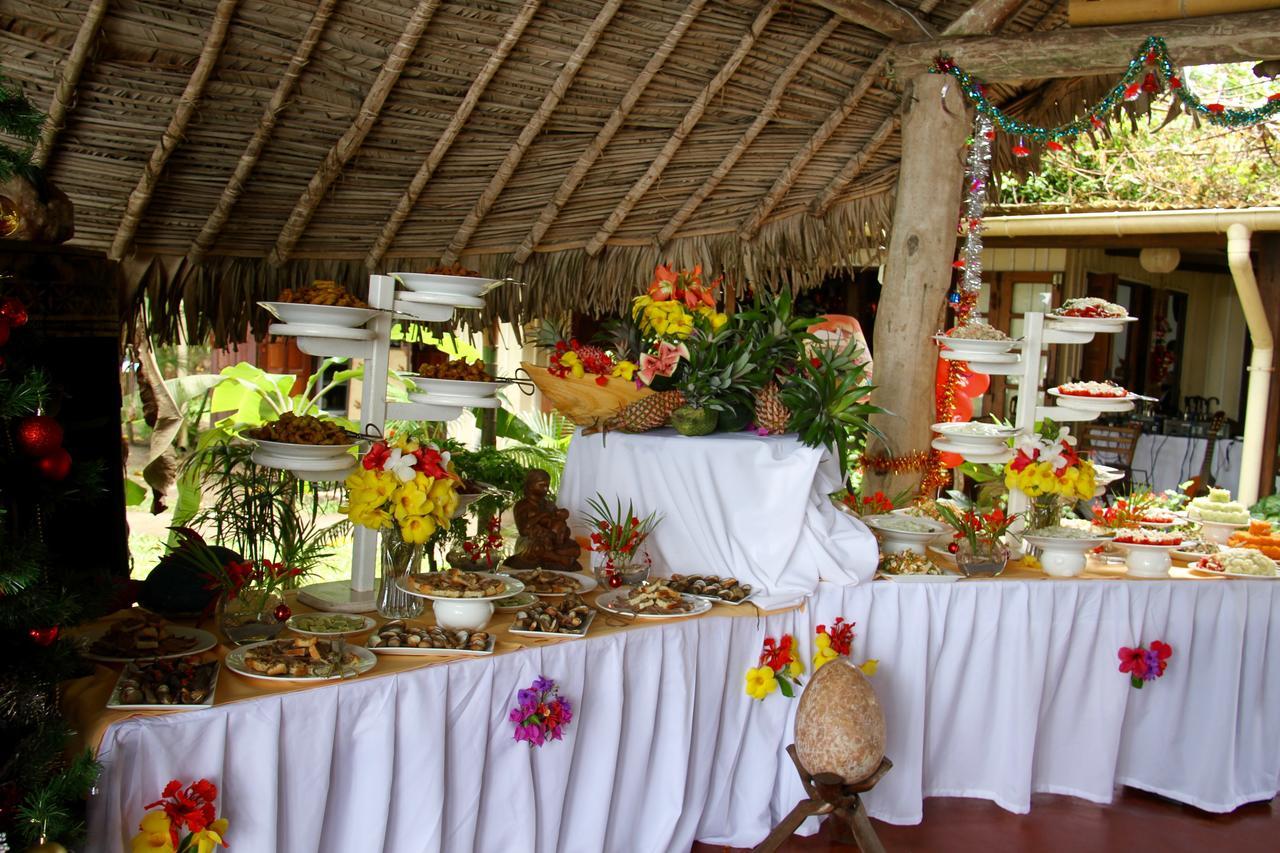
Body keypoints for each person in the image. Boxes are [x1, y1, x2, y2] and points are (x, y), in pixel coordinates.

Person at [504, 469, 582, 571]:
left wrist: (561, 531)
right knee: (536, 548)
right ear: (530, 485)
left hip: (552, 540)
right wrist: (542, 516)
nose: (546, 488)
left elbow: (559, 525)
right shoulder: (522, 505)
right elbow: (523, 531)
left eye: (547, 485)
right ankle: (559, 558)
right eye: (541, 485)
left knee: (575, 548)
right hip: (530, 541)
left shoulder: (549, 505)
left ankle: (554, 555)